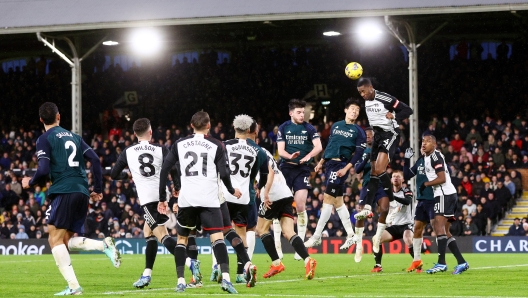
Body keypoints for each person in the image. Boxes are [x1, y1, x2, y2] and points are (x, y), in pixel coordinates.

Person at [21, 102, 121, 296]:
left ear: (41, 119)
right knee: (64, 241)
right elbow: (95, 160)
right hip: (82, 191)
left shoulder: (44, 139)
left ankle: (74, 287)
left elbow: (42, 170)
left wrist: (29, 182)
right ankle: (103, 245)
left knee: (54, 239)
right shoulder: (75, 137)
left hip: (64, 190)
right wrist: (97, 188)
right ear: (59, 116)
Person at [158, 111, 242, 294]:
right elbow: (224, 173)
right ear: (208, 125)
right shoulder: (216, 144)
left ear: (191, 125)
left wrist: (162, 198)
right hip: (209, 199)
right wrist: (230, 190)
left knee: (182, 239)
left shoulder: (179, 144)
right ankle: (226, 279)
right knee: (217, 238)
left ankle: (181, 281)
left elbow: (165, 169)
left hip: (187, 199)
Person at [110, 118, 182, 289]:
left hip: (148, 199)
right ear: (150, 132)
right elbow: (173, 168)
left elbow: (113, 174)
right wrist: (177, 187)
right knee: (148, 233)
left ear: (134, 134)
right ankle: (147, 274)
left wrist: (126, 176)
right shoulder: (160, 148)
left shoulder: (128, 151)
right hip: (162, 195)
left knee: (162, 236)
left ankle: (189, 263)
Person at [354, 77, 413, 252]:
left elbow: (407, 110)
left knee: (379, 169)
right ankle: (367, 206)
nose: (362, 95)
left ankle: (391, 198)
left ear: (371, 88)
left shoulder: (385, 98)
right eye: (360, 93)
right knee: (373, 172)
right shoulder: (366, 102)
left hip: (390, 134)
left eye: (364, 91)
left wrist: (394, 115)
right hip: (378, 136)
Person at [304, 99, 365, 249]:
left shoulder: (359, 131)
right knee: (338, 202)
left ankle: (317, 236)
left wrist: (346, 168)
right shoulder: (336, 126)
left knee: (327, 199)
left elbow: (358, 153)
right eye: (352, 108)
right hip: (329, 164)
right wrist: (320, 162)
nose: (354, 111)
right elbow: (330, 145)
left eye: (357, 110)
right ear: (346, 110)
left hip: (341, 166)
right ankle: (351, 234)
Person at [407, 135, 469, 274]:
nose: (424, 144)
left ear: (434, 145)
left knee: (438, 228)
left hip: (444, 195)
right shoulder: (427, 158)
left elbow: (442, 178)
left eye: (428, 142)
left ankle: (441, 263)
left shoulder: (435, 157)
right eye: (423, 141)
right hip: (446, 194)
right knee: (445, 231)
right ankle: (462, 262)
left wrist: (426, 184)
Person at [257, 146, 317, 280]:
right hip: (285, 192)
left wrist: (265, 192)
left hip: (272, 194)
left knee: (261, 229)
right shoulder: (264, 150)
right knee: (289, 232)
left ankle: (276, 263)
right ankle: (308, 260)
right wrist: (259, 186)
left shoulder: (251, 151)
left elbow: (269, 172)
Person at [219, 115, 265, 285]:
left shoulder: (224, 146)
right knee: (241, 233)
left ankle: (219, 267)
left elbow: (221, 170)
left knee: (220, 231)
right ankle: (241, 272)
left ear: (234, 127)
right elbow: (256, 176)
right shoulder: (257, 151)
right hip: (244, 197)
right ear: (249, 130)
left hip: (225, 194)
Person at [276, 99, 322, 259]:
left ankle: (299, 246)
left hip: (302, 169)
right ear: (291, 113)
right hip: (286, 168)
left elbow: (319, 146)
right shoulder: (283, 128)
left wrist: (308, 156)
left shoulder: (309, 128)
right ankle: (278, 246)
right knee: (279, 206)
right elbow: (280, 151)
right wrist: (291, 156)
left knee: (301, 204)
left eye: (303, 112)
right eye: (299, 112)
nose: (302, 115)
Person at [353, 127, 389, 262]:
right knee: (361, 215)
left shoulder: (382, 150)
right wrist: (366, 159)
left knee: (385, 209)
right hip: (368, 184)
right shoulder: (361, 151)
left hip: (380, 183)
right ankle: (359, 245)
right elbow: (357, 169)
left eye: (370, 135)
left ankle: (377, 238)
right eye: (366, 135)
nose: (368, 136)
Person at [371, 170, 414, 272]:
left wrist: (392, 196)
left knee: (408, 239)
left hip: (406, 224)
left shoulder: (407, 191)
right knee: (376, 239)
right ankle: (378, 266)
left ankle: (418, 264)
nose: (395, 178)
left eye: (398, 176)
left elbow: (407, 201)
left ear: (402, 179)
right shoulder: (385, 194)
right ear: (390, 179)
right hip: (394, 226)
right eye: (394, 176)